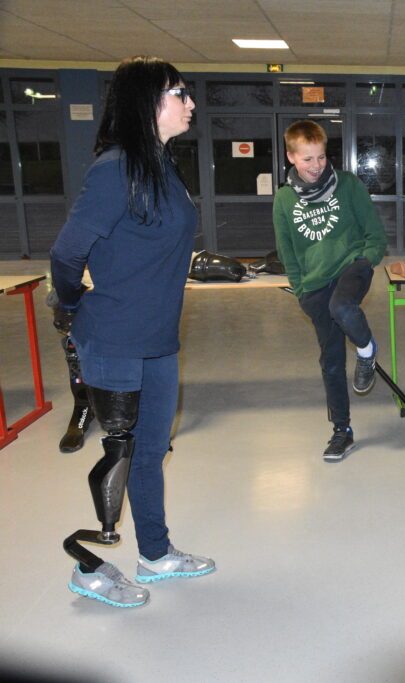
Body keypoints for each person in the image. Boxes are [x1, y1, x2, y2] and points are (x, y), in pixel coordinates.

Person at [50, 55, 215, 608]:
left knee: (150, 452)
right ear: (147, 103)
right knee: (118, 455)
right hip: (114, 337)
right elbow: (67, 252)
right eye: (179, 93)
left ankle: (156, 553)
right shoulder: (115, 168)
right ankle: (89, 564)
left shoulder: (161, 165)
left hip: (158, 340)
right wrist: (72, 305)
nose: (190, 103)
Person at [273, 120, 387, 462]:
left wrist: (367, 258)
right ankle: (342, 431)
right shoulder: (283, 199)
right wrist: (302, 289)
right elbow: (286, 252)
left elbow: (375, 234)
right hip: (314, 284)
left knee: (343, 307)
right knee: (331, 361)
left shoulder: (348, 185)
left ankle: (367, 352)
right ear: (291, 157)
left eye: (321, 157)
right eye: (307, 159)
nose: (316, 166)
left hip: (351, 267)